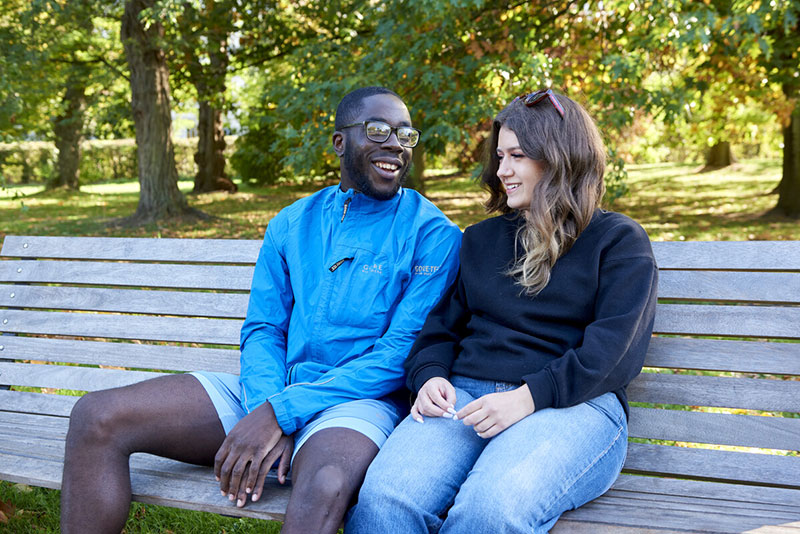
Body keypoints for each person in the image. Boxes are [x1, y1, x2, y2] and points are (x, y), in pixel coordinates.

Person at [60, 86, 462, 534]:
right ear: (339, 142)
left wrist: (282, 413)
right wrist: (265, 407)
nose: (395, 145)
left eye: (406, 135)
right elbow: (264, 329)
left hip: (358, 403)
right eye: (378, 130)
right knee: (96, 416)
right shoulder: (292, 223)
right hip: (269, 388)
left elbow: (398, 353)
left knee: (325, 482)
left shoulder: (434, 236)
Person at [346, 89, 659, 534]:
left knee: (487, 512)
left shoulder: (618, 242)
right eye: (500, 156)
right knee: (384, 501)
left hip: (572, 405)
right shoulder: (481, 240)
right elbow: (440, 330)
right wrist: (430, 375)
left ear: (559, 158)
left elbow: (614, 354)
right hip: (466, 400)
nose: (502, 170)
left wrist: (528, 398)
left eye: (517, 156)